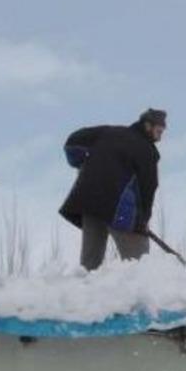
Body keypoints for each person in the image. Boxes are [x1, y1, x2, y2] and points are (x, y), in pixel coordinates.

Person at [60, 109, 165, 271]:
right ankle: (141, 286)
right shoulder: (147, 150)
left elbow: (72, 142)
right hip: (119, 208)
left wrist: (81, 163)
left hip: (89, 202)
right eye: (158, 131)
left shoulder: (109, 132)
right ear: (147, 126)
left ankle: (86, 285)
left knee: (89, 266)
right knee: (139, 265)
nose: (160, 137)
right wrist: (144, 220)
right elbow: (148, 187)